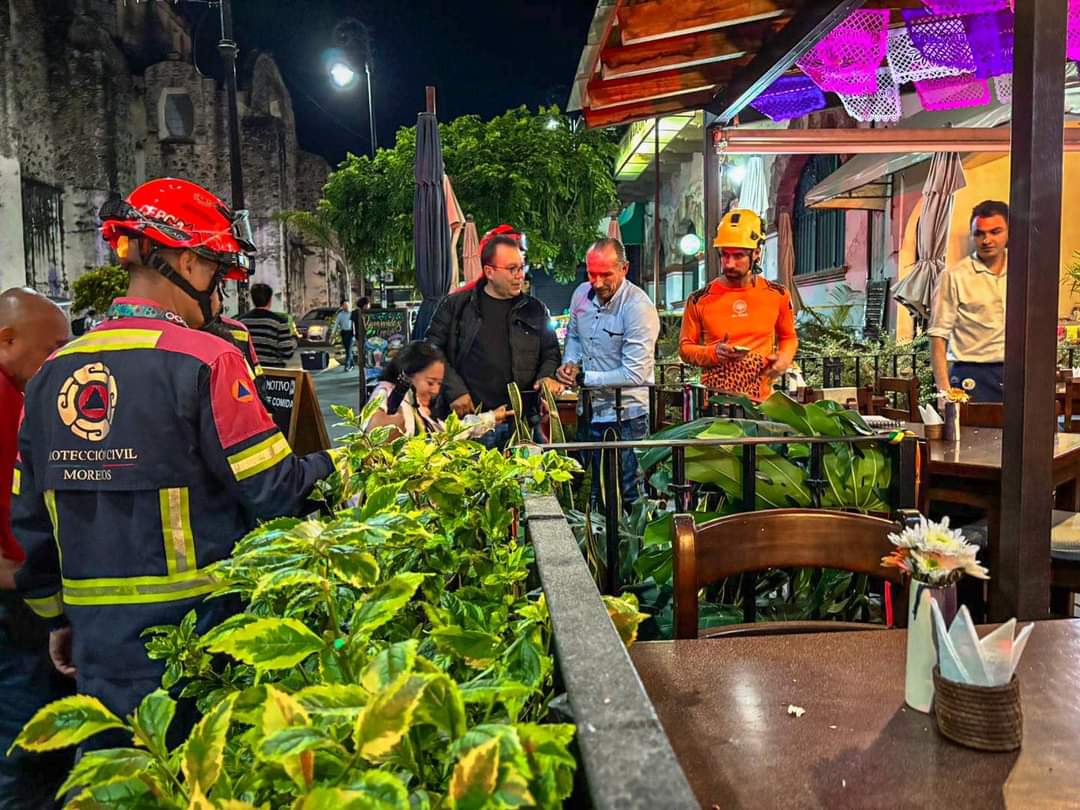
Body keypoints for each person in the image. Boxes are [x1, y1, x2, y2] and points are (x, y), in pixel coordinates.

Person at [12, 178, 337, 746]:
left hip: (97, 651)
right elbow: (276, 490)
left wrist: (58, 619)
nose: (218, 291)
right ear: (186, 261)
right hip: (196, 647)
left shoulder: (48, 376)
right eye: (216, 271)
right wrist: (342, 464)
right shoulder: (209, 360)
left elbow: (32, 523)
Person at [0, 288, 73, 808]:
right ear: (7, 339)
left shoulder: (21, 395)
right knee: (21, 753)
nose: (61, 361)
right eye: (54, 347)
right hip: (14, 604)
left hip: (23, 592)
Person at [426, 233, 562, 450]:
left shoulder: (536, 309)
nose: (520, 275)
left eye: (521, 267)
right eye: (512, 269)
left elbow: (551, 353)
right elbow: (431, 350)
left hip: (523, 422)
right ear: (489, 271)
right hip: (473, 423)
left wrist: (546, 376)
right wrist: (454, 390)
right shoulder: (456, 306)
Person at [556, 238, 660, 505]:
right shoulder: (581, 294)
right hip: (589, 409)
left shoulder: (638, 307)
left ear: (625, 268)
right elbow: (575, 337)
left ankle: (631, 545)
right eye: (592, 273)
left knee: (628, 490)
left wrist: (584, 379)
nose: (598, 282)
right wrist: (570, 362)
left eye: (606, 275)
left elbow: (635, 373)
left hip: (628, 415)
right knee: (593, 488)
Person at [679, 209, 798, 402]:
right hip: (715, 403)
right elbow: (685, 348)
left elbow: (788, 337)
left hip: (762, 403)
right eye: (725, 255)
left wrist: (784, 358)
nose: (730, 263)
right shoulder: (699, 299)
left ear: (756, 253)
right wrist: (713, 352)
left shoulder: (778, 295)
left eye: (738, 256)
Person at [928, 200, 1009, 403]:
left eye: (995, 232)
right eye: (979, 234)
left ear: (1009, 232)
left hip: (1017, 373)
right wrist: (944, 393)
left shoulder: (1024, 270)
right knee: (972, 435)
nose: (986, 240)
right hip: (971, 374)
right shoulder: (954, 276)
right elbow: (938, 335)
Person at [365, 341, 513, 439]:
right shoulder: (386, 396)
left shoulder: (413, 403)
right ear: (407, 373)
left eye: (439, 383)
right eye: (430, 383)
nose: (435, 390)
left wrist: (491, 417)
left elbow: (444, 433)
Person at [236, 282, 296, 368]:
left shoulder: (241, 322)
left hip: (250, 373)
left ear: (253, 300)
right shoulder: (279, 322)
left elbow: (238, 350)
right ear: (270, 300)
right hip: (275, 373)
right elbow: (287, 353)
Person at [333, 299, 355, 372]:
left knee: (349, 349)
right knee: (347, 349)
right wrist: (333, 333)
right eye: (345, 305)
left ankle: (347, 365)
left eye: (348, 305)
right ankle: (352, 363)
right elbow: (336, 324)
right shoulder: (340, 314)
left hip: (351, 333)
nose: (347, 307)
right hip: (344, 333)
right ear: (342, 306)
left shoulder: (352, 313)